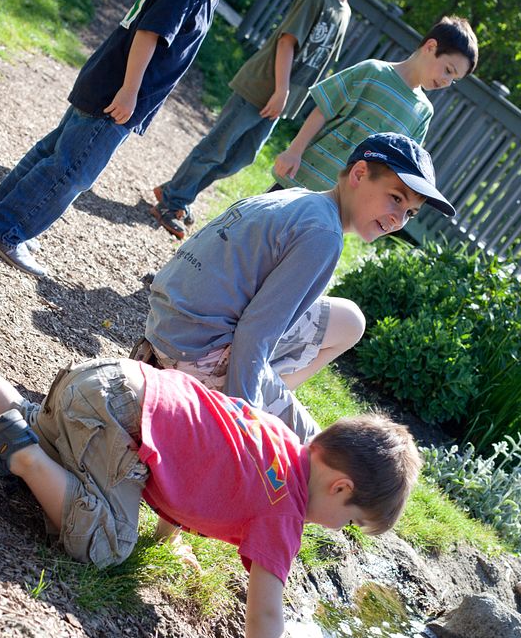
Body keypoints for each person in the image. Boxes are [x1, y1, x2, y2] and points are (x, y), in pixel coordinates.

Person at [0, 320, 422, 638]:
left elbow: (198, 450)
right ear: (341, 489)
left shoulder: (280, 439)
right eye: (353, 523)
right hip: (114, 416)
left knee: (31, 422)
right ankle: (23, 457)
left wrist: (167, 538)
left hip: (108, 382)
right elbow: (266, 613)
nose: (342, 530)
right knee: (107, 546)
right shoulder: (285, 511)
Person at [0, 0, 290, 279]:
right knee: (72, 169)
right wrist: (129, 90)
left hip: (107, 86)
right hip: (117, 97)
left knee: (55, 151)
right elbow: (148, 34)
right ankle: (6, 228)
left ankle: (3, 210)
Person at [141, 132, 457, 443]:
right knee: (315, 454)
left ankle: (270, 393)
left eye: (410, 213)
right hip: (194, 351)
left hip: (168, 325)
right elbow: (256, 329)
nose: (399, 219)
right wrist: (240, 416)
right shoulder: (323, 235)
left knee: (349, 320)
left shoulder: (303, 200)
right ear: (359, 174)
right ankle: (246, 402)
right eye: (396, 198)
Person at [150, 0, 383, 239]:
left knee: (239, 158)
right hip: (263, 87)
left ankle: (178, 192)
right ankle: (172, 201)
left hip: (280, 101)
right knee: (216, 148)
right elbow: (287, 43)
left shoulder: (345, 12)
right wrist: (281, 89)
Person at [272, 15, 478, 192]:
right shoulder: (372, 71)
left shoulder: (423, 112)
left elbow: (394, 168)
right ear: (431, 47)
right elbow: (323, 110)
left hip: (340, 203)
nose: (447, 81)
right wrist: (294, 151)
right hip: (299, 178)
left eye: (454, 79)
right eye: (448, 70)